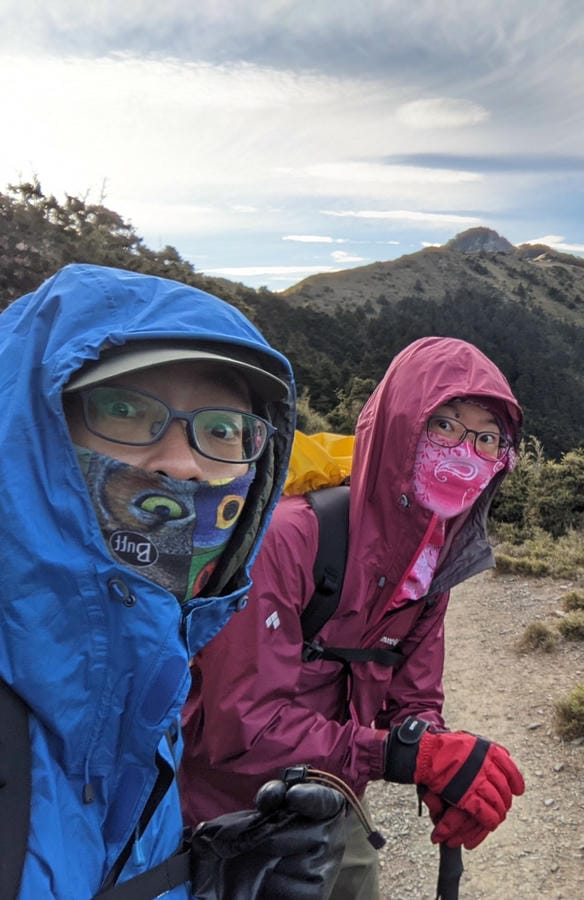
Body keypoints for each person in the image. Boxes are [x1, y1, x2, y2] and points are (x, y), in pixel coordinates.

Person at [0, 263, 336, 898]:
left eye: (220, 431)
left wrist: (199, 881)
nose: (183, 464)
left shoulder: (151, 679)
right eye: (124, 410)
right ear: (32, 429)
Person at [180, 336, 527, 898]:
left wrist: (437, 756)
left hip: (333, 808)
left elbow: (413, 696)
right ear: (400, 424)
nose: (464, 451)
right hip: (222, 826)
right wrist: (395, 754)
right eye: (445, 426)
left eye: (487, 438)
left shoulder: (431, 562)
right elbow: (237, 727)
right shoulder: (289, 540)